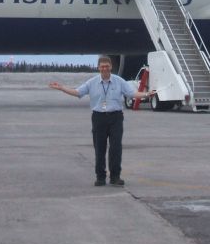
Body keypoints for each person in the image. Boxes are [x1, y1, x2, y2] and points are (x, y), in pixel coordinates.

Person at [49, 56, 155, 187]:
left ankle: (115, 177)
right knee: (100, 148)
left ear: (110, 67)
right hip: (99, 117)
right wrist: (62, 88)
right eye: (102, 66)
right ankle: (100, 177)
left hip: (116, 117)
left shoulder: (119, 81)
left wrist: (147, 94)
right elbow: (78, 92)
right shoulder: (92, 82)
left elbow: (132, 94)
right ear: (98, 68)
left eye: (107, 66)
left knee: (116, 148)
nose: (104, 68)